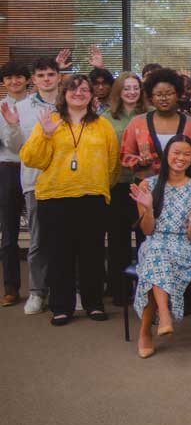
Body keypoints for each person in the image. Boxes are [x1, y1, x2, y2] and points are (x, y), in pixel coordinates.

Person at [20, 74, 120, 326]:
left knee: (93, 254)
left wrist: (96, 184)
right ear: (64, 94)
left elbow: (113, 164)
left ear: (91, 95)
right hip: (55, 198)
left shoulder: (103, 125)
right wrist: (45, 135)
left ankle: (94, 304)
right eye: (73, 89)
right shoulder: (50, 121)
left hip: (93, 197)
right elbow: (32, 159)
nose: (79, 93)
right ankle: (61, 307)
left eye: (84, 89)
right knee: (58, 255)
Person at [129, 136, 191, 358]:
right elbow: (147, 232)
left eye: (187, 154)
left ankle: (146, 331)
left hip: (182, 246)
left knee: (154, 262)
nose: (181, 158)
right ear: (166, 155)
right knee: (156, 249)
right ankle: (164, 314)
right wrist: (147, 209)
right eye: (176, 152)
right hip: (154, 241)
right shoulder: (148, 185)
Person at [7, 57, 61, 314]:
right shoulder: (22, 107)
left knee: (68, 238)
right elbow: (16, 146)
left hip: (68, 183)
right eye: (41, 75)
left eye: (51, 74)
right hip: (35, 182)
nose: (47, 79)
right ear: (34, 80)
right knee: (38, 240)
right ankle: (37, 292)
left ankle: (69, 289)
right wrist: (13, 126)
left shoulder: (68, 103)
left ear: (59, 76)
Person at [101, 72, 146, 305]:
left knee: (143, 239)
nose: (131, 92)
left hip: (143, 185)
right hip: (116, 184)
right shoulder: (106, 118)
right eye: (126, 88)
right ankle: (120, 291)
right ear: (118, 91)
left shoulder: (148, 115)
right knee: (117, 240)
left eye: (135, 88)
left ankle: (144, 289)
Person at [121, 68, 191, 182]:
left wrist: (184, 161)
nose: (164, 98)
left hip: (182, 187)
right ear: (151, 97)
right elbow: (125, 156)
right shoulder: (137, 123)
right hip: (146, 188)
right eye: (158, 94)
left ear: (177, 94)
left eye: (169, 94)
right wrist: (139, 161)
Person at [0, 62, 30, 306]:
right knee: (9, 233)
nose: (14, 81)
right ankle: (11, 288)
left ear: (27, 80)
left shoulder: (35, 105)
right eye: (9, 78)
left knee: (43, 232)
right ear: (4, 82)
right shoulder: (0, 107)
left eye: (19, 76)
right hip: (8, 170)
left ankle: (44, 287)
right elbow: (10, 146)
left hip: (35, 169)